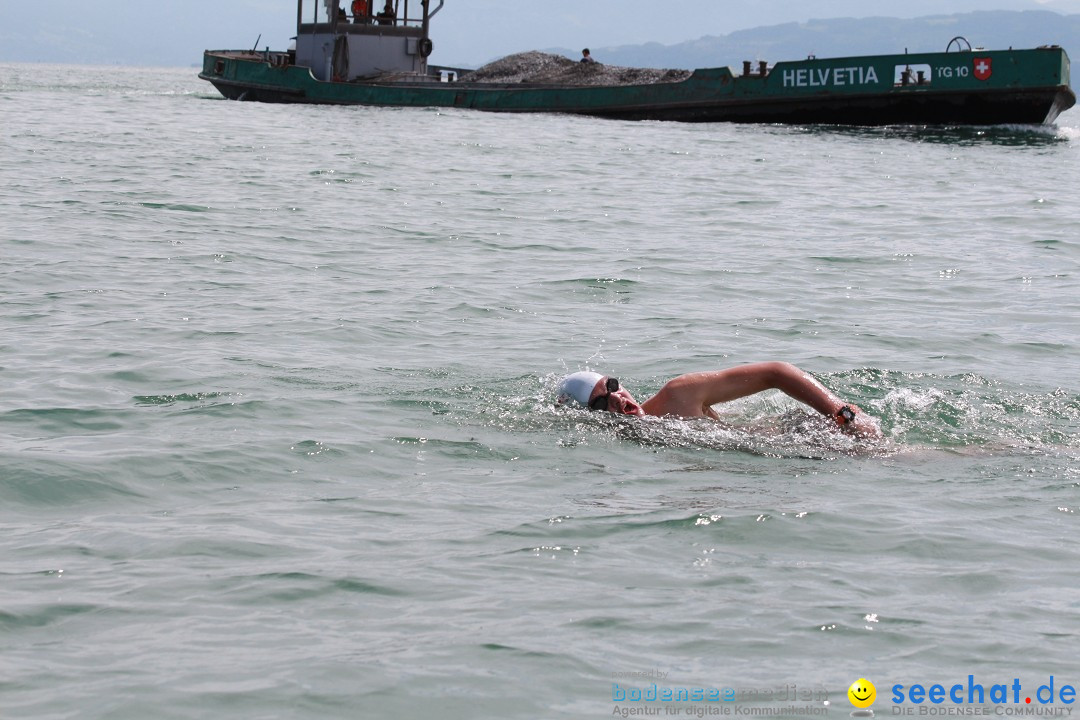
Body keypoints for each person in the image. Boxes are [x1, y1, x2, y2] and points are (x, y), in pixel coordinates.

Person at [556, 362, 882, 438]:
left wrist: (841, 413)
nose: (616, 399)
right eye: (600, 403)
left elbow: (777, 373)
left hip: (801, 434)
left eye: (613, 385)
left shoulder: (678, 394)